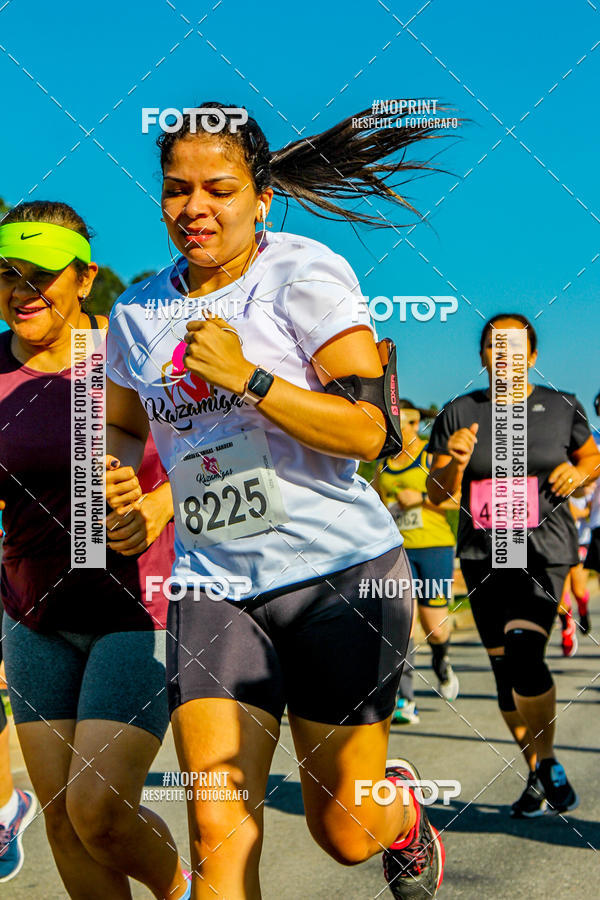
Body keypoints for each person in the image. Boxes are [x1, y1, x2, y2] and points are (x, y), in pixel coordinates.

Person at [106, 102, 452, 898]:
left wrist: (251, 380)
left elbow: (373, 433)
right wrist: (124, 490)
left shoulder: (305, 273)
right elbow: (123, 428)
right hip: (213, 586)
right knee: (217, 832)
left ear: (262, 196)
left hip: (341, 575)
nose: (195, 208)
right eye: (176, 190)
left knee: (345, 831)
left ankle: (397, 816)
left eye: (219, 189)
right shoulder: (137, 313)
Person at [0, 202, 190, 899]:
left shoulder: (129, 356)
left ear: (85, 279)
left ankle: (185, 890)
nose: (23, 290)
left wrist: (155, 507)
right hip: (31, 612)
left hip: (136, 607)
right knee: (61, 824)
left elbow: (208, 457)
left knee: (99, 810)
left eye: (42, 274)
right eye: (7, 274)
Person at [427, 313, 600, 818]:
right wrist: (455, 464)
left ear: (532, 355)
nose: (505, 355)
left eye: (515, 346)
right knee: (506, 674)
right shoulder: (459, 412)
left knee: (526, 654)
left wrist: (579, 468)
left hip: (543, 550)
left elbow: (592, 458)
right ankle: (537, 769)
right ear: (482, 356)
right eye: (494, 346)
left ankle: (545, 761)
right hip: (484, 555)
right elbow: (436, 499)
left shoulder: (561, 405)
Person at [374, 399, 460, 725]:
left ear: (417, 424)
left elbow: (459, 500)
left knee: (435, 627)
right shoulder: (385, 464)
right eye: (398, 422)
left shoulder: (431, 457)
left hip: (435, 547)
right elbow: (380, 503)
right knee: (403, 623)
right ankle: (405, 700)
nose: (404, 429)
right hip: (400, 550)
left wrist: (421, 500)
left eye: (410, 423)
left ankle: (442, 661)